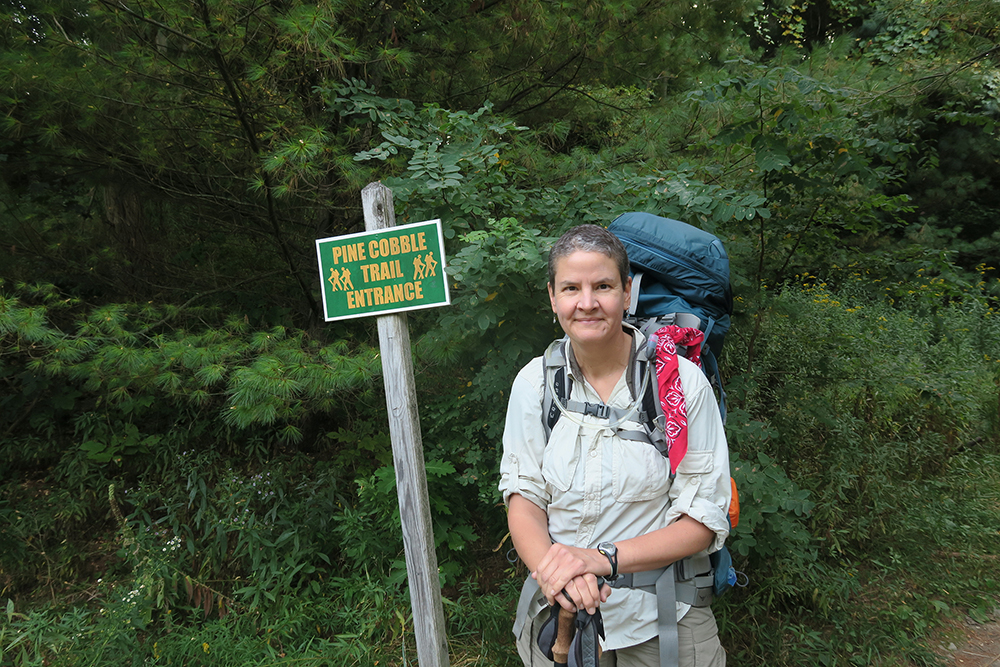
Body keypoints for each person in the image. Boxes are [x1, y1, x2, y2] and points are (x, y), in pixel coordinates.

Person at [499, 224, 731, 666]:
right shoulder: (535, 384)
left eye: (602, 286)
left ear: (627, 292)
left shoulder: (678, 383)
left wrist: (599, 559)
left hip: (664, 619)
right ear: (552, 297)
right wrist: (559, 575)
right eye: (571, 288)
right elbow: (524, 498)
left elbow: (702, 519)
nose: (586, 303)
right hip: (563, 611)